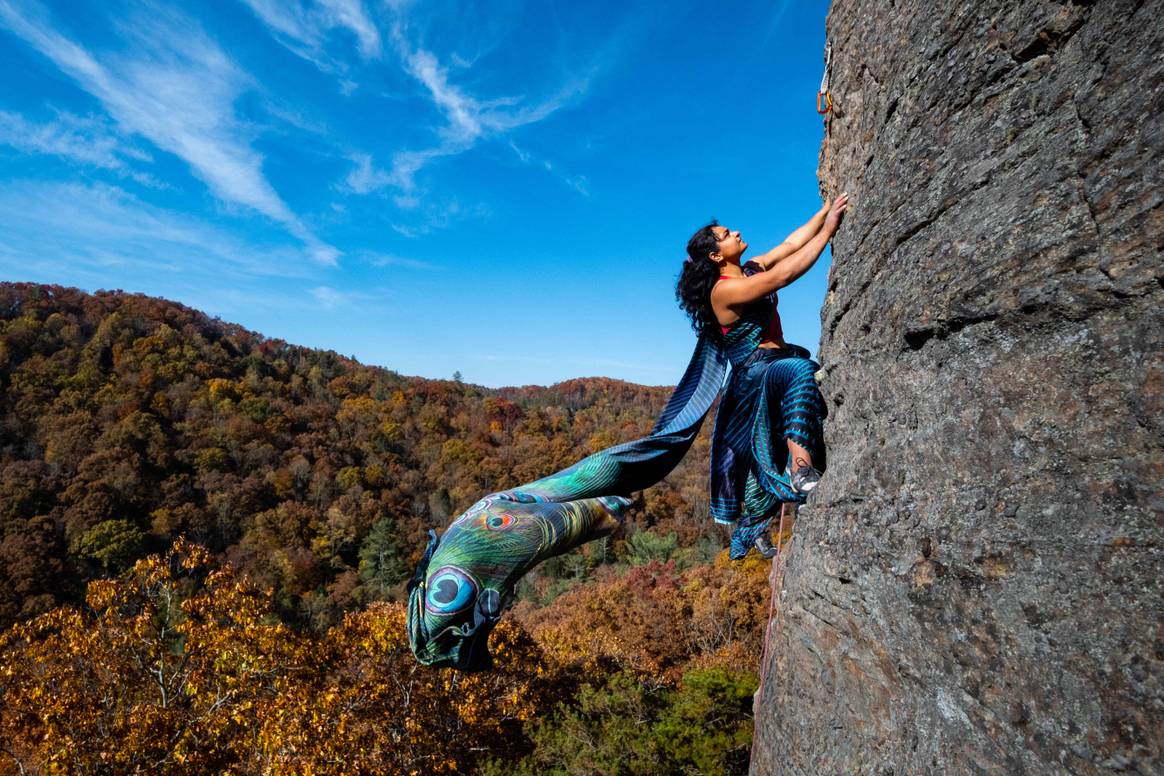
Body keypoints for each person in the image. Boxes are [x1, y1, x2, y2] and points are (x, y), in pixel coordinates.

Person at [675, 194, 849, 559]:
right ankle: (801, 469)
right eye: (726, 234)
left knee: (764, 455)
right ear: (716, 255)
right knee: (801, 371)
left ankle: (752, 527)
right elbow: (784, 274)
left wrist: (822, 213)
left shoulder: (750, 268)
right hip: (754, 375)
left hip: (773, 364)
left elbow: (789, 245)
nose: (735, 231)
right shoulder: (724, 292)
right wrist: (830, 230)